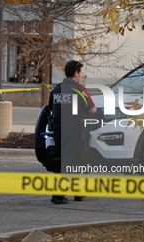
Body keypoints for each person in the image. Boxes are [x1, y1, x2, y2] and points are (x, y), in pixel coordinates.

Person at [48, 60, 97, 204]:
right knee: (74, 160)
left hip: (58, 128)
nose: (82, 75)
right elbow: (92, 110)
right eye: (81, 73)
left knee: (66, 159)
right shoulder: (79, 90)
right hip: (75, 129)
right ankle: (58, 194)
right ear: (76, 73)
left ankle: (77, 192)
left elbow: (50, 109)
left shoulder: (56, 89)